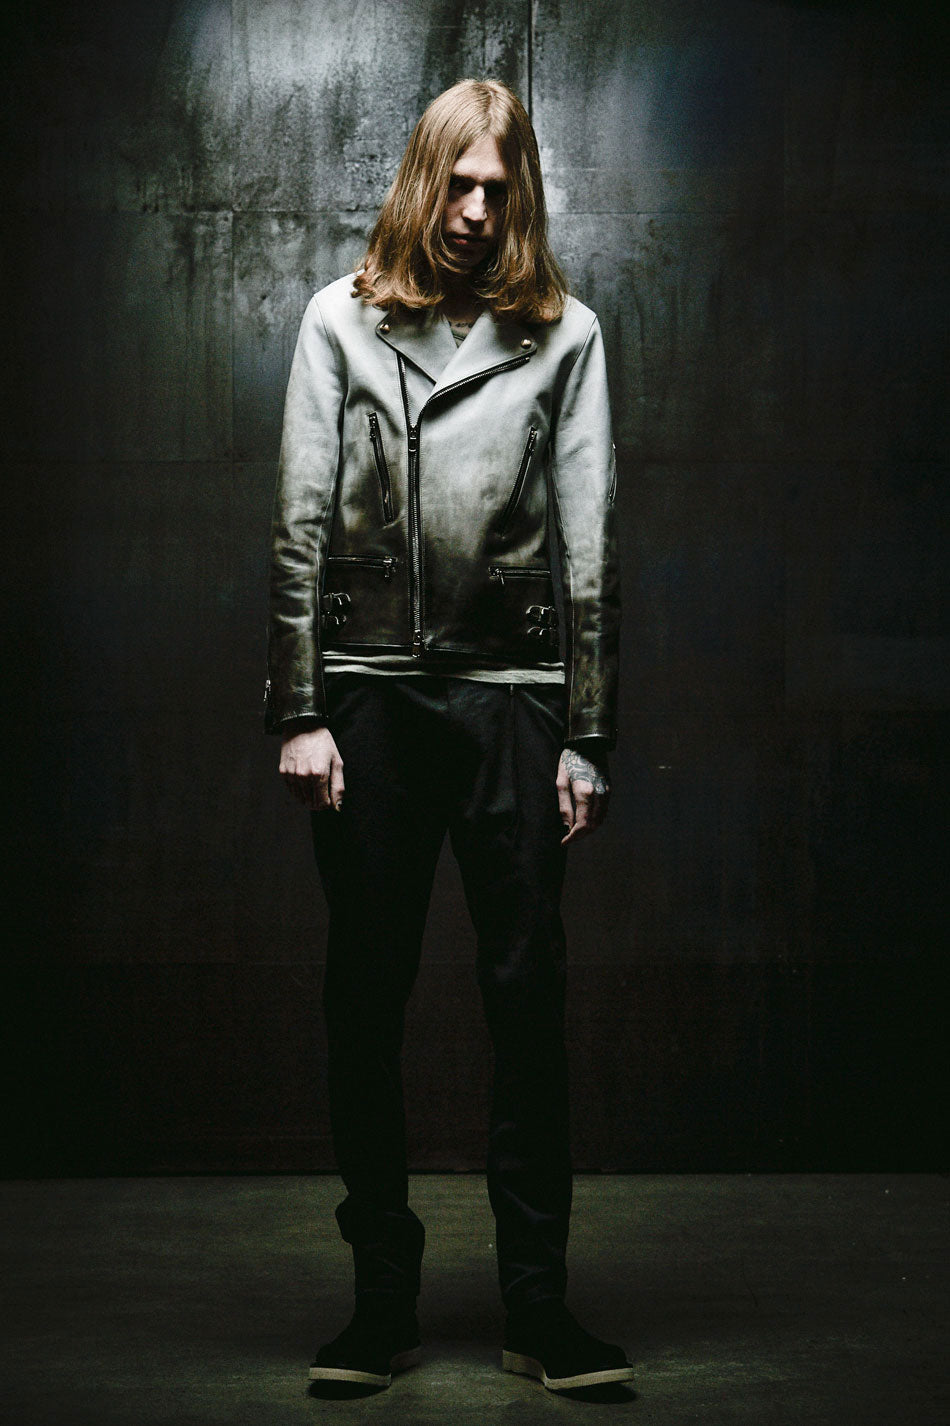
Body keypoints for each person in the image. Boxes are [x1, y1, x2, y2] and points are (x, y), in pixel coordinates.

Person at [266, 78, 628, 1395]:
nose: (476, 210)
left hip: (514, 697)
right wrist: (300, 708)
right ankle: (380, 1304)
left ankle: (538, 1309)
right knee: (365, 994)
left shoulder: (566, 335)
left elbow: (590, 542)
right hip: (369, 694)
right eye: (458, 183)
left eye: (498, 187)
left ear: (519, 195)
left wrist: (587, 731)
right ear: (425, 179)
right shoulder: (338, 320)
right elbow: (300, 521)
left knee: (526, 999)